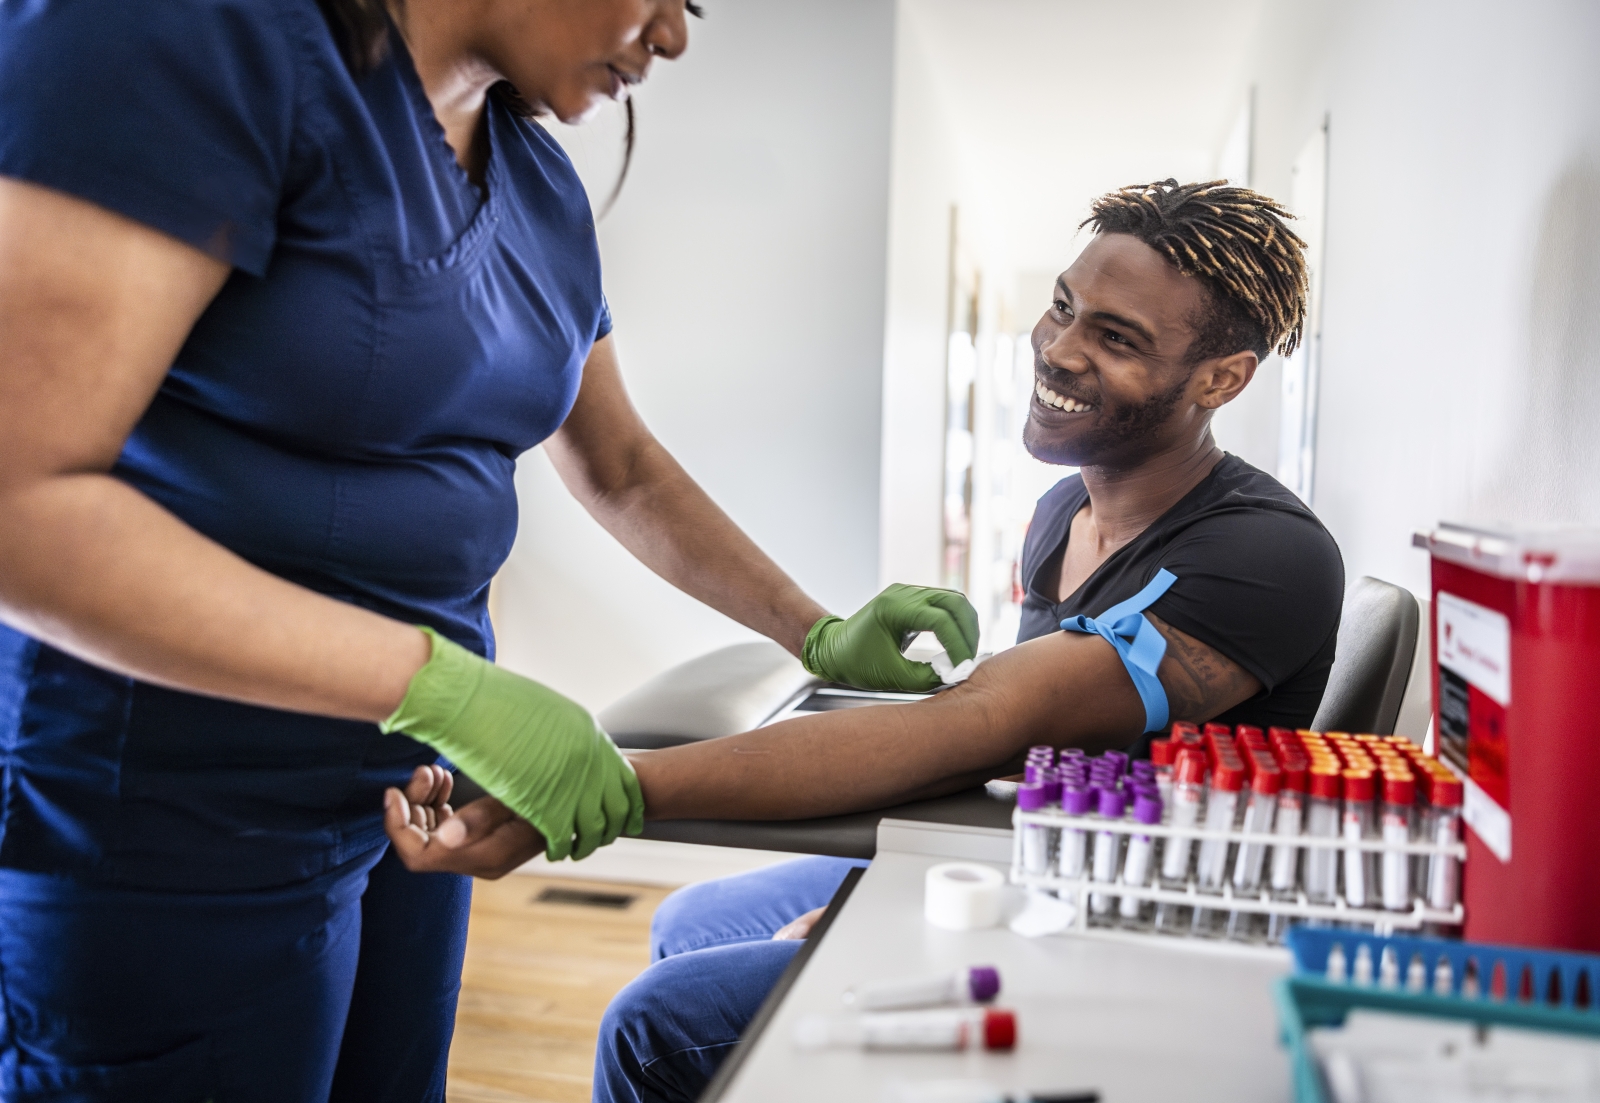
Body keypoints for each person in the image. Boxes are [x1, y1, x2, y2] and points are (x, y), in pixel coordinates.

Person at [0, 1, 979, 1099]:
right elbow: (20, 503)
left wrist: (815, 627)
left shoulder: (541, 186)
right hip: (175, 803)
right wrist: (440, 686)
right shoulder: (188, 36)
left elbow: (620, 466)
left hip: (412, 790)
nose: (674, 36)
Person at [381, 179, 1347, 1103]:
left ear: (1221, 378)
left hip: (1123, 939)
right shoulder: (1063, 512)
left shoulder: (1264, 555)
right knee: (686, 921)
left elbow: (986, 722)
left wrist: (615, 780)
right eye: (1063, 306)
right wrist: (871, 875)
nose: (1058, 348)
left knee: (656, 1025)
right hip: (1023, 857)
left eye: (1117, 336)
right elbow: (1019, 756)